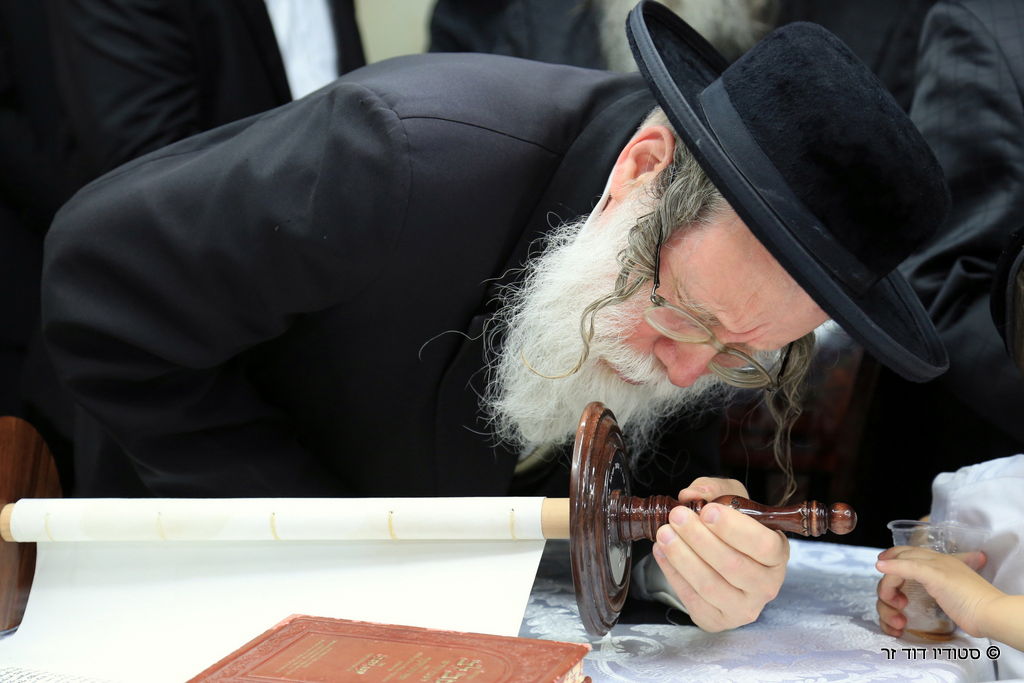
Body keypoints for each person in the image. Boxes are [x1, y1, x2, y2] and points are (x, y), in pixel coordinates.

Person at [41, 1, 949, 632]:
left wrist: (674, 552)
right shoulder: (396, 154)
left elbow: (627, 464)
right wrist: (319, 535)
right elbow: (95, 281)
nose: (684, 373)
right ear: (642, 167)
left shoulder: (719, 298)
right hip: (180, 579)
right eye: (677, 315)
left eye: (739, 356)